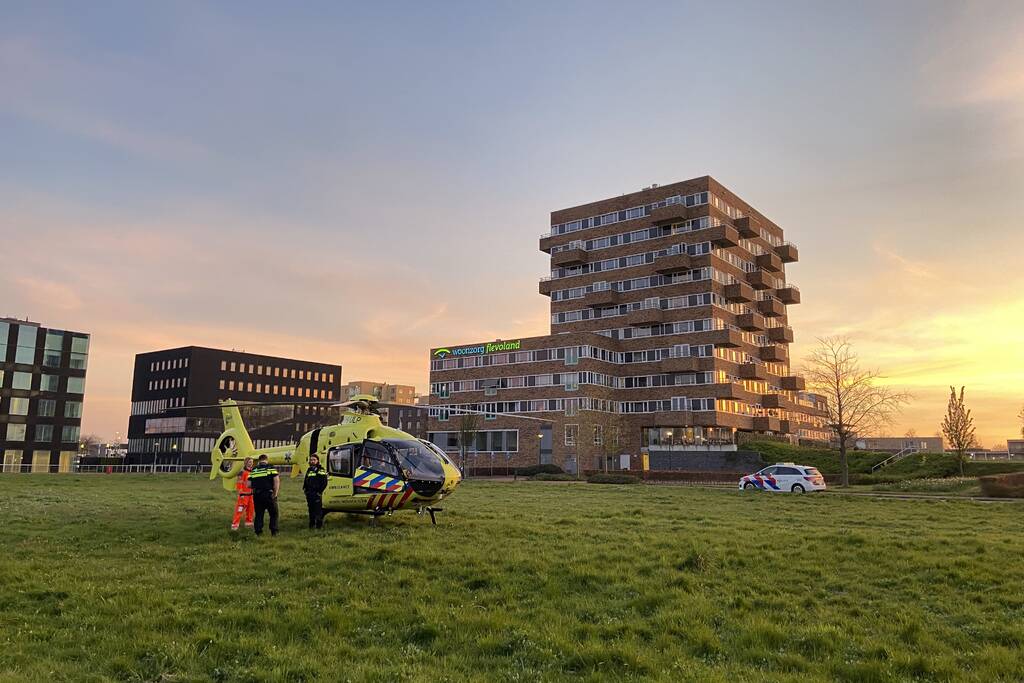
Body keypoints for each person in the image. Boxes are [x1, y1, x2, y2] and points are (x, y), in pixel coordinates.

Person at [248, 454, 280, 536]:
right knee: (273, 513)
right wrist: (275, 494)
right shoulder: (271, 468)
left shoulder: (254, 470)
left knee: (259, 514)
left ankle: (258, 532)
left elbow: (248, 484)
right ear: (266, 460)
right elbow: (276, 481)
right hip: (268, 494)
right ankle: (274, 531)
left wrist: (258, 484)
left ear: (259, 461)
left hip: (257, 495)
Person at [303, 454, 329, 529]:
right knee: (311, 510)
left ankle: (318, 527)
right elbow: (306, 480)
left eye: (314, 460)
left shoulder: (321, 470)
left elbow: (324, 483)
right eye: (311, 460)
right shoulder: (309, 470)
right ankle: (311, 526)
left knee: (318, 511)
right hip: (309, 493)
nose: (312, 461)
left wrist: (319, 492)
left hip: (316, 493)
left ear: (317, 461)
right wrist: (305, 489)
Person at [230, 457, 255, 531]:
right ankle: (235, 524)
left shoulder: (252, 472)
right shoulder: (242, 472)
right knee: (239, 510)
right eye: (250, 462)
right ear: (246, 462)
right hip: (244, 495)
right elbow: (239, 483)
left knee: (251, 509)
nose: (251, 463)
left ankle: (249, 523)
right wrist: (241, 492)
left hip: (251, 494)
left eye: (252, 462)